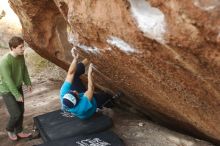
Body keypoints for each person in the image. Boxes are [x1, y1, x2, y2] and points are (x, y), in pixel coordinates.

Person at [60, 48, 121, 120]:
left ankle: (89, 58)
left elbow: (70, 73)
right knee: (104, 97)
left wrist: (75, 59)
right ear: (78, 99)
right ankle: (112, 101)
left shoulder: (63, 93)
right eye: (74, 93)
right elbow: (91, 88)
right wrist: (89, 73)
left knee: (75, 75)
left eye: (71, 91)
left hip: (79, 98)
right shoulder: (82, 107)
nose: (73, 91)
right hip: (91, 107)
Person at [0, 36, 32, 141]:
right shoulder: (4, 61)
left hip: (17, 87)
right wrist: (17, 95)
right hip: (7, 90)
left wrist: (28, 82)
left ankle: (19, 131)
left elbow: (24, 69)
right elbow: (8, 81)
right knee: (16, 113)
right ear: (12, 48)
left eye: (23, 46)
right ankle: (9, 129)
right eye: (20, 47)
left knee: (21, 111)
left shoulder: (20, 56)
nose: (23, 49)